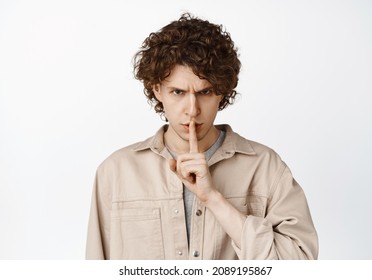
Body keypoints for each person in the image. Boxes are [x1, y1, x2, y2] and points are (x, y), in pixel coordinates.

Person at [86, 13, 318, 260]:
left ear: (221, 91)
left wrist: (214, 199)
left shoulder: (265, 168)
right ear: (157, 89)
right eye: (177, 92)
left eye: (205, 92)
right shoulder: (116, 171)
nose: (193, 110)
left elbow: (299, 265)